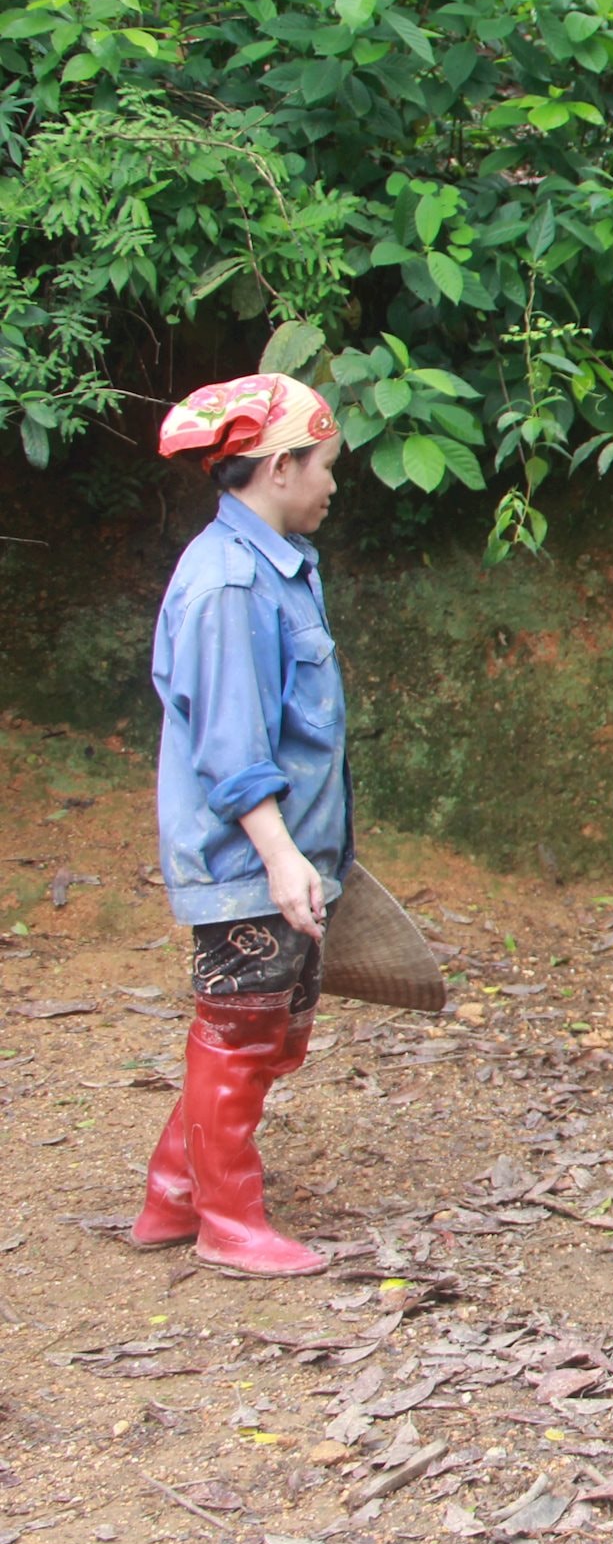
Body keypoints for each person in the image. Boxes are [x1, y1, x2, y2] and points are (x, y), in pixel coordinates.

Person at [134, 373, 349, 1277]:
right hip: (250, 856)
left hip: (282, 854)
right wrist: (280, 856)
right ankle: (229, 1220)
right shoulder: (229, 583)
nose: (333, 485)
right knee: (240, 1028)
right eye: (326, 467)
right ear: (280, 466)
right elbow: (229, 743)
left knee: (269, 1029)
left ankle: (175, 1192)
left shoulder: (276, 565)